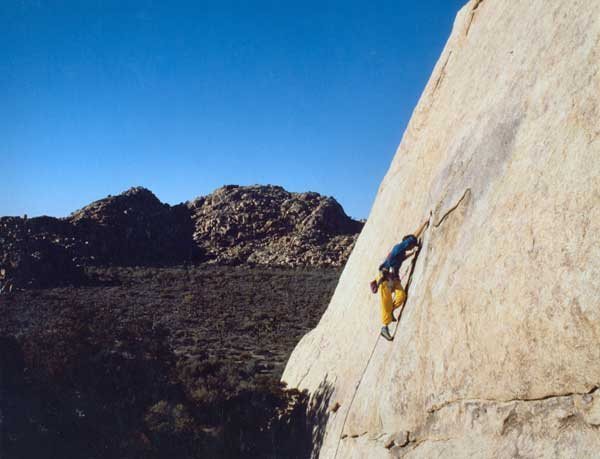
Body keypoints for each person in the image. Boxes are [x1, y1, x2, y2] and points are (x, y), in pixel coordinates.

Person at [371, 221, 427, 341]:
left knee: (401, 296)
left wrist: (412, 254)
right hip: (384, 278)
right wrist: (424, 223)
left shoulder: (401, 253)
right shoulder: (399, 247)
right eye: (411, 246)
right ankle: (384, 328)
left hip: (394, 278)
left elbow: (402, 258)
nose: (413, 246)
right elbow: (413, 237)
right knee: (386, 302)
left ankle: (390, 312)